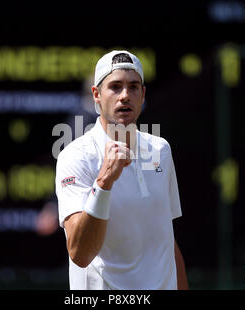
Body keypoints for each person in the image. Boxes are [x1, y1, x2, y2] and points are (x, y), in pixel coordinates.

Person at [55, 50, 188, 290]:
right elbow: (80, 253)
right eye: (115, 87)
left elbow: (165, 239)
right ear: (96, 95)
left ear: (143, 94)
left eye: (133, 87)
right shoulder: (74, 156)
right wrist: (104, 182)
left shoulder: (161, 150)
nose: (125, 95)